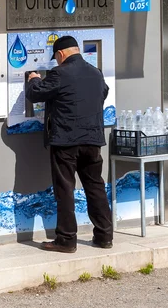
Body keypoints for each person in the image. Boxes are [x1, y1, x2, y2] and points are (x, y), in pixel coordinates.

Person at [25, 35, 113, 253]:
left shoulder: (59, 73)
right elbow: (103, 93)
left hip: (65, 141)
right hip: (92, 141)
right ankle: (104, 236)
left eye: (56, 58)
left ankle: (66, 240)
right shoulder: (96, 73)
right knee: (95, 187)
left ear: (60, 54)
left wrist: (34, 79)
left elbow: (35, 94)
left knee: (65, 189)